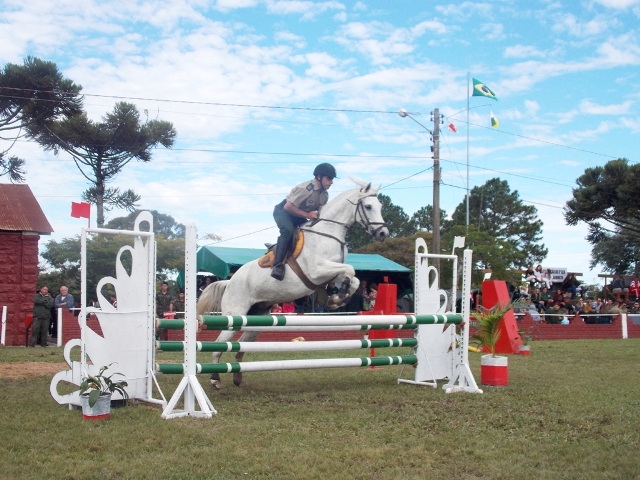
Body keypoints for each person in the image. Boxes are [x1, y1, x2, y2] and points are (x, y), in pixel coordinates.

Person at [271, 163, 337, 281]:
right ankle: (278, 266)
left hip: (297, 215)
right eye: (329, 178)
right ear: (319, 177)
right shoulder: (305, 188)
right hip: (283, 211)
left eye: (332, 179)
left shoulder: (324, 195)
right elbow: (288, 207)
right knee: (288, 230)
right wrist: (307, 215)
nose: (331, 182)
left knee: (311, 232)